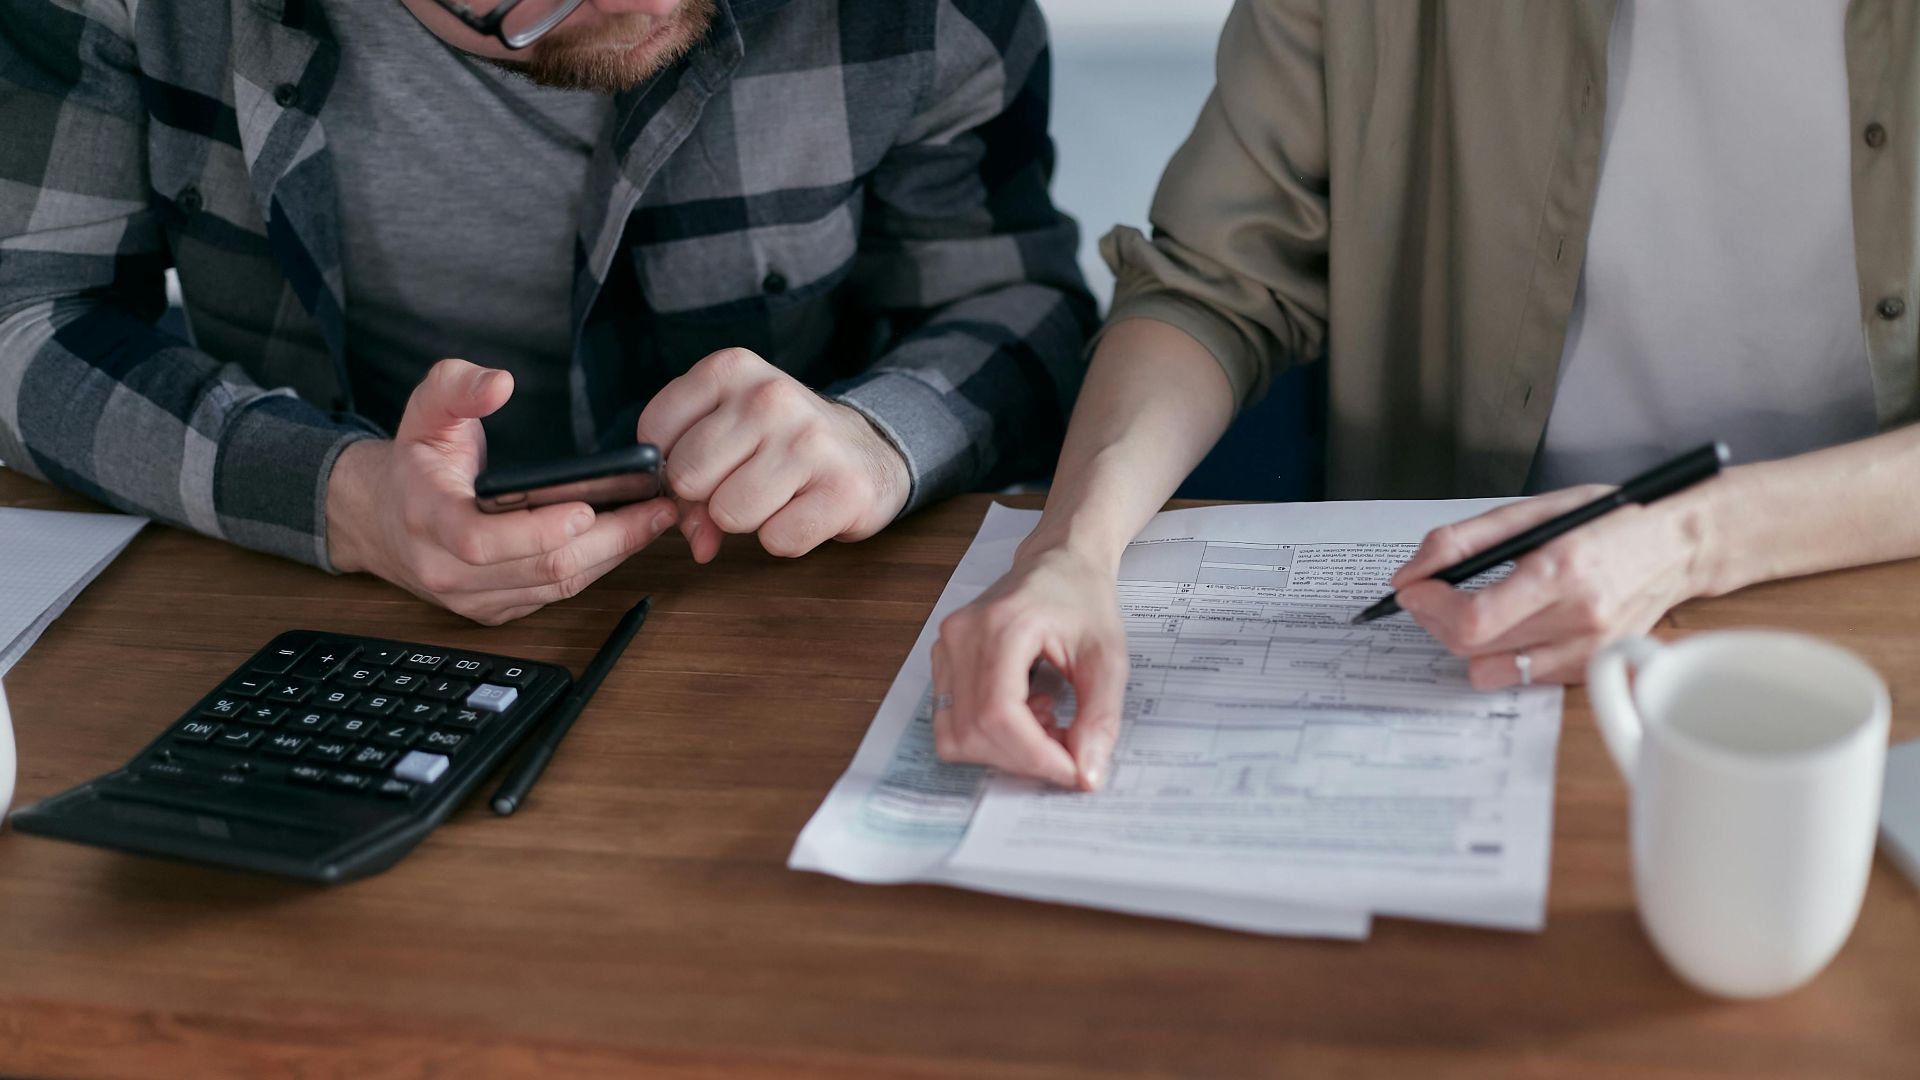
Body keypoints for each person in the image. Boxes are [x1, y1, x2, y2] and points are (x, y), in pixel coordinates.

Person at [930, 0, 1920, 791]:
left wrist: (1691, 540)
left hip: (1853, 598)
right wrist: (1072, 549)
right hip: (1471, 634)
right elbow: (1215, 283)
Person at [0, 0, 1095, 624]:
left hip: (768, 616)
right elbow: (24, 317)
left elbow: (1022, 301)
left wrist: (880, 434)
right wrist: (342, 497)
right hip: (316, 609)